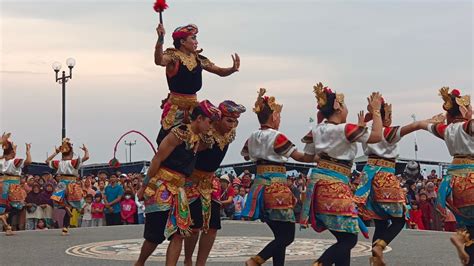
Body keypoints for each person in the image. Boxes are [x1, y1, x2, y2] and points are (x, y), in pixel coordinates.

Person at [300, 84, 384, 266]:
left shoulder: (317, 130)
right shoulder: (345, 129)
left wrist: (326, 154)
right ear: (337, 106)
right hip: (335, 187)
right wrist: (376, 111)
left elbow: (308, 157)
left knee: (343, 238)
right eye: (345, 105)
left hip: (319, 185)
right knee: (348, 240)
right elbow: (378, 135)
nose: (347, 110)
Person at [354, 95, 442, 265]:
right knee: (400, 219)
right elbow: (414, 126)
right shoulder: (389, 132)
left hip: (369, 179)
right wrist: (430, 121)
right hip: (385, 178)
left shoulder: (367, 133)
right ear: (384, 116)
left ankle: (375, 257)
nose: (391, 117)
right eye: (389, 114)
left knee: (380, 222)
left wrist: (365, 121)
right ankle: (380, 246)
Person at [135, 100, 220, 266]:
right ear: (200, 118)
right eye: (210, 122)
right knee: (155, 236)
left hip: (180, 190)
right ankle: (139, 263)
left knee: (179, 233)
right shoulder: (179, 133)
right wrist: (144, 186)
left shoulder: (200, 139)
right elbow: (157, 159)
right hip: (162, 186)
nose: (211, 127)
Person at [242, 89, 315, 266]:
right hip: (276, 190)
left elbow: (246, 155)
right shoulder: (277, 137)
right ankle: (256, 260)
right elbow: (301, 157)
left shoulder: (252, 136)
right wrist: (318, 152)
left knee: (280, 236)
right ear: (274, 116)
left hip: (259, 189)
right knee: (287, 236)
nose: (280, 119)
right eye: (279, 116)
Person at [153, 23, 240, 145]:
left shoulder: (199, 58)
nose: (196, 42)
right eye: (193, 38)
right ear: (182, 41)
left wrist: (231, 69)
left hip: (194, 107)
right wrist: (160, 39)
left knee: (205, 137)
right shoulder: (173, 56)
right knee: (169, 141)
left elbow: (219, 71)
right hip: (176, 108)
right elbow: (159, 60)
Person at [183, 100, 246, 266]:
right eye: (229, 120)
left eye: (235, 121)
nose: (232, 125)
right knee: (194, 227)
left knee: (212, 227)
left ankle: (201, 263)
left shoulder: (229, 135)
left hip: (211, 182)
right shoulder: (206, 133)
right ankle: (188, 259)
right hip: (192, 181)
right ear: (218, 119)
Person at [427, 87, 473, 265]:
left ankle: (463, 240)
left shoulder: (446, 130)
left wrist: (429, 122)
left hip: (453, 183)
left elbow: (426, 126)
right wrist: (469, 115)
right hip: (471, 179)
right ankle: (463, 240)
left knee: (470, 228)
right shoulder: (468, 126)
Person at [46, 138, 89, 236]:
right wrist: (85, 150)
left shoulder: (59, 163)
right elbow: (86, 157)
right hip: (72, 184)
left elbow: (47, 161)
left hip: (61, 183)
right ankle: (65, 226)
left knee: (57, 201)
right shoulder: (73, 162)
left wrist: (55, 152)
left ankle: (65, 226)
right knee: (74, 204)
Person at [0, 133, 31, 236]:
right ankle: (7, 221)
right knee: (18, 206)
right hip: (14, 185)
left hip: (4, 184)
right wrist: (28, 151)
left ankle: (7, 226)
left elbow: (5, 156)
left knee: (5, 206)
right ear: (12, 152)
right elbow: (29, 161)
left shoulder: (3, 161)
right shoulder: (15, 161)